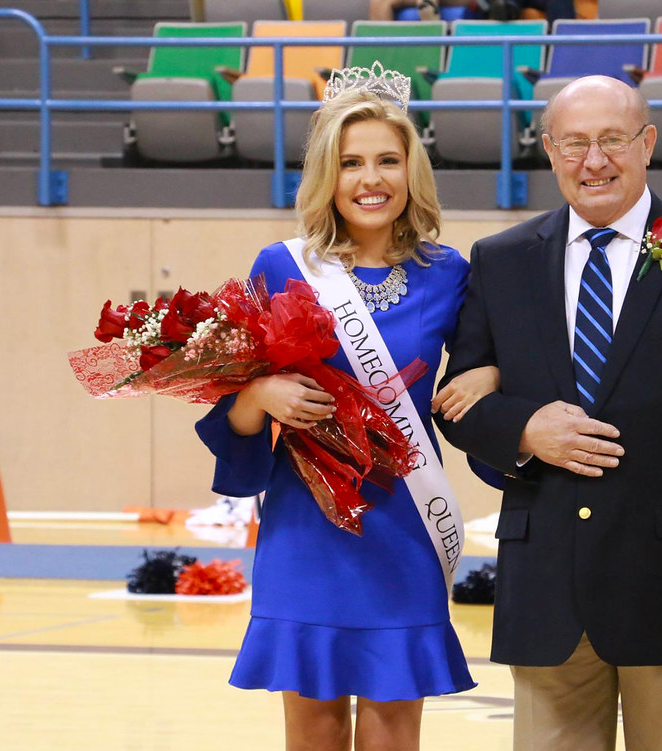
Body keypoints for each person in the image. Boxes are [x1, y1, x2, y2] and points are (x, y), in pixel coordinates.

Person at [436, 75, 662, 751]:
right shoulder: (500, 261)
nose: (593, 160)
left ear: (647, 144)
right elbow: (459, 406)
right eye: (574, 143)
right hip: (547, 593)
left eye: (612, 140)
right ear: (549, 151)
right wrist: (524, 429)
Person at [196, 67, 495, 751]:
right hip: (308, 525)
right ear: (327, 176)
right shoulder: (282, 266)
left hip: (406, 519)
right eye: (351, 162)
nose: (371, 178)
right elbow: (232, 412)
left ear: (412, 171)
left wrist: (492, 370)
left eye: (388, 160)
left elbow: (485, 366)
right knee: (314, 732)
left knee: (393, 731)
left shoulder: (448, 272)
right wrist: (259, 395)